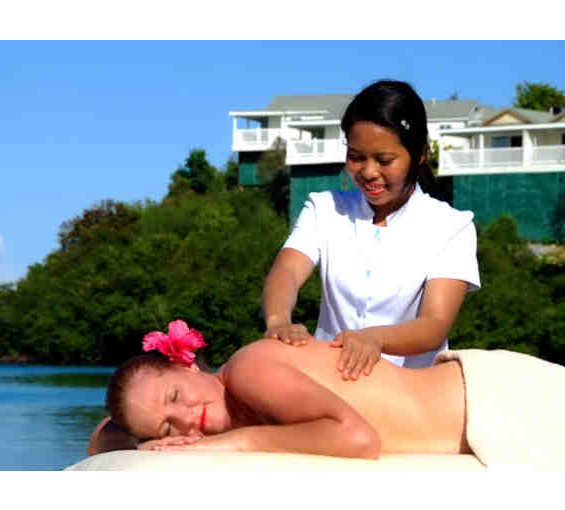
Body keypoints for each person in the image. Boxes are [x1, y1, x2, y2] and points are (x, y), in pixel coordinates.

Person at [262, 80, 480, 379]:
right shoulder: (324, 208)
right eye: (356, 157)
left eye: (384, 160)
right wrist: (278, 321)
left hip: (411, 393)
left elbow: (434, 325)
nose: (368, 172)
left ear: (419, 154)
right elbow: (287, 270)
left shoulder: (452, 227)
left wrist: (374, 339)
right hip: (328, 383)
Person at [91, 336, 565, 468]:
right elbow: (101, 439)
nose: (184, 418)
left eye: (175, 396)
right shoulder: (238, 402)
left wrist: (231, 443)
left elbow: (358, 439)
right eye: (168, 428)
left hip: (501, 402)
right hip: (486, 413)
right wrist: (143, 440)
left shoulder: (248, 370)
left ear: (188, 365)